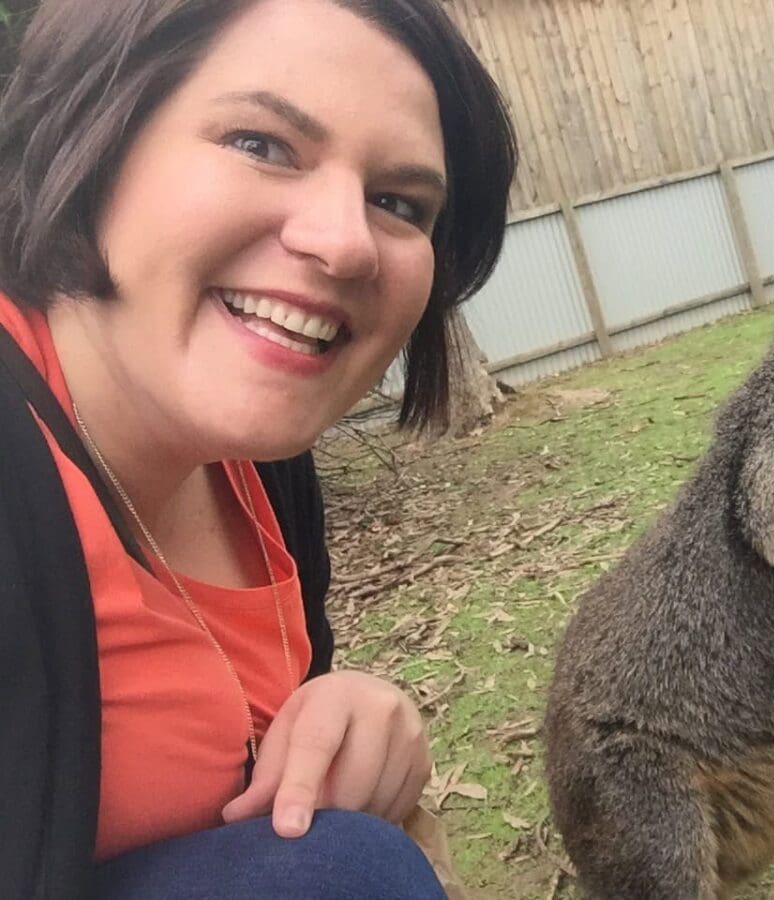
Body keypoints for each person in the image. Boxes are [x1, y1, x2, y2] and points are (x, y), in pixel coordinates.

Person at [0, 0, 516, 897]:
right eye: (261, 143)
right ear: (94, 135)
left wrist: (339, 715)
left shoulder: (256, 455)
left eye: (398, 203)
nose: (347, 242)